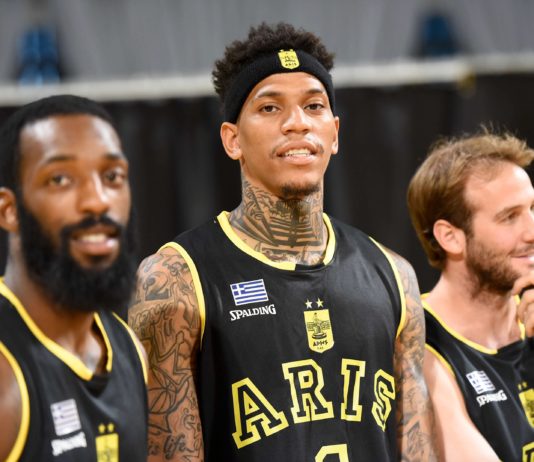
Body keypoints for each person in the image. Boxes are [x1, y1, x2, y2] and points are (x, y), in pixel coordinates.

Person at [129, 22, 437, 462]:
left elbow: (417, 452)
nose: (297, 123)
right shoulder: (175, 280)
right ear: (232, 139)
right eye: (270, 107)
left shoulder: (394, 276)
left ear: (334, 133)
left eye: (313, 106)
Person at [0, 94, 148, 461]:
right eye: (60, 179)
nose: (97, 201)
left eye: (112, 177)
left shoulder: (128, 347)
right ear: (9, 210)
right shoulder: (5, 376)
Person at [407, 131, 534, 461]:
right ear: (450, 237)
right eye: (509, 217)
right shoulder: (419, 344)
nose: (531, 231)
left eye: (532, 208)